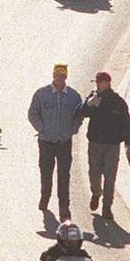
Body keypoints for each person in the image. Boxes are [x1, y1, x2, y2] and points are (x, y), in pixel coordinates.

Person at [27, 63, 83, 218]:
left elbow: (79, 115)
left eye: (63, 76)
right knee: (46, 172)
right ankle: (45, 197)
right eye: (58, 75)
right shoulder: (41, 94)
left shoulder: (73, 96)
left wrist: (73, 129)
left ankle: (64, 206)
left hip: (64, 142)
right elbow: (33, 113)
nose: (60, 79)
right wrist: (41, 129)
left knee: (64, 175)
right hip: (46, 141)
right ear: (53, 76)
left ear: (66, 77)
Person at [78, 71, 130, 220]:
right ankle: (96, 192)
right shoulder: (93, 96)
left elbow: (126, 123)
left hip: (112, 145)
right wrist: (89, 105)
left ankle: (107, 206)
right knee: (94, 173)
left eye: (99, 82)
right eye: (96, 82)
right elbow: (82, 112)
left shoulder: (118, 102)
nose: (97, 85)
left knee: (110, 177)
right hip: (95, 143)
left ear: (107, 83)